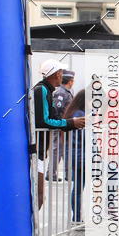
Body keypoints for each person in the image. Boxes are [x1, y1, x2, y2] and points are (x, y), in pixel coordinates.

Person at [33, 59, 85, 208]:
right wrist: (70, 123)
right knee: (39, 197)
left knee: (39, 197)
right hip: (36, 150)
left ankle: (31, 230)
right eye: (61, 72)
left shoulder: (48, 90)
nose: (62, 75)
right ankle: (29, 230)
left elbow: (54, 118)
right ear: (57, 74)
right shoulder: (42, 90)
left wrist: (73, 122)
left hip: (40, 150)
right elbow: (43, 121)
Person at [65, 89, 86, 222]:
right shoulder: (80, 115)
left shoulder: (74, 112)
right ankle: (77, 218)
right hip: (81, 155)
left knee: (77, 188)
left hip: (75, 155)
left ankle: (77, 217)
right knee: (78, 188)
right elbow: (85, 137)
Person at [51, 70, 75, 179]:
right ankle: (51, 173)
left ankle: (67, 174)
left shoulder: (66, 92)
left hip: (66, 126)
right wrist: (61, 124)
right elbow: (57, 109)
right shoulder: (61, 92)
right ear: (70, 81)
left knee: (65, 150)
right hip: (61, 126)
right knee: (58, 150)